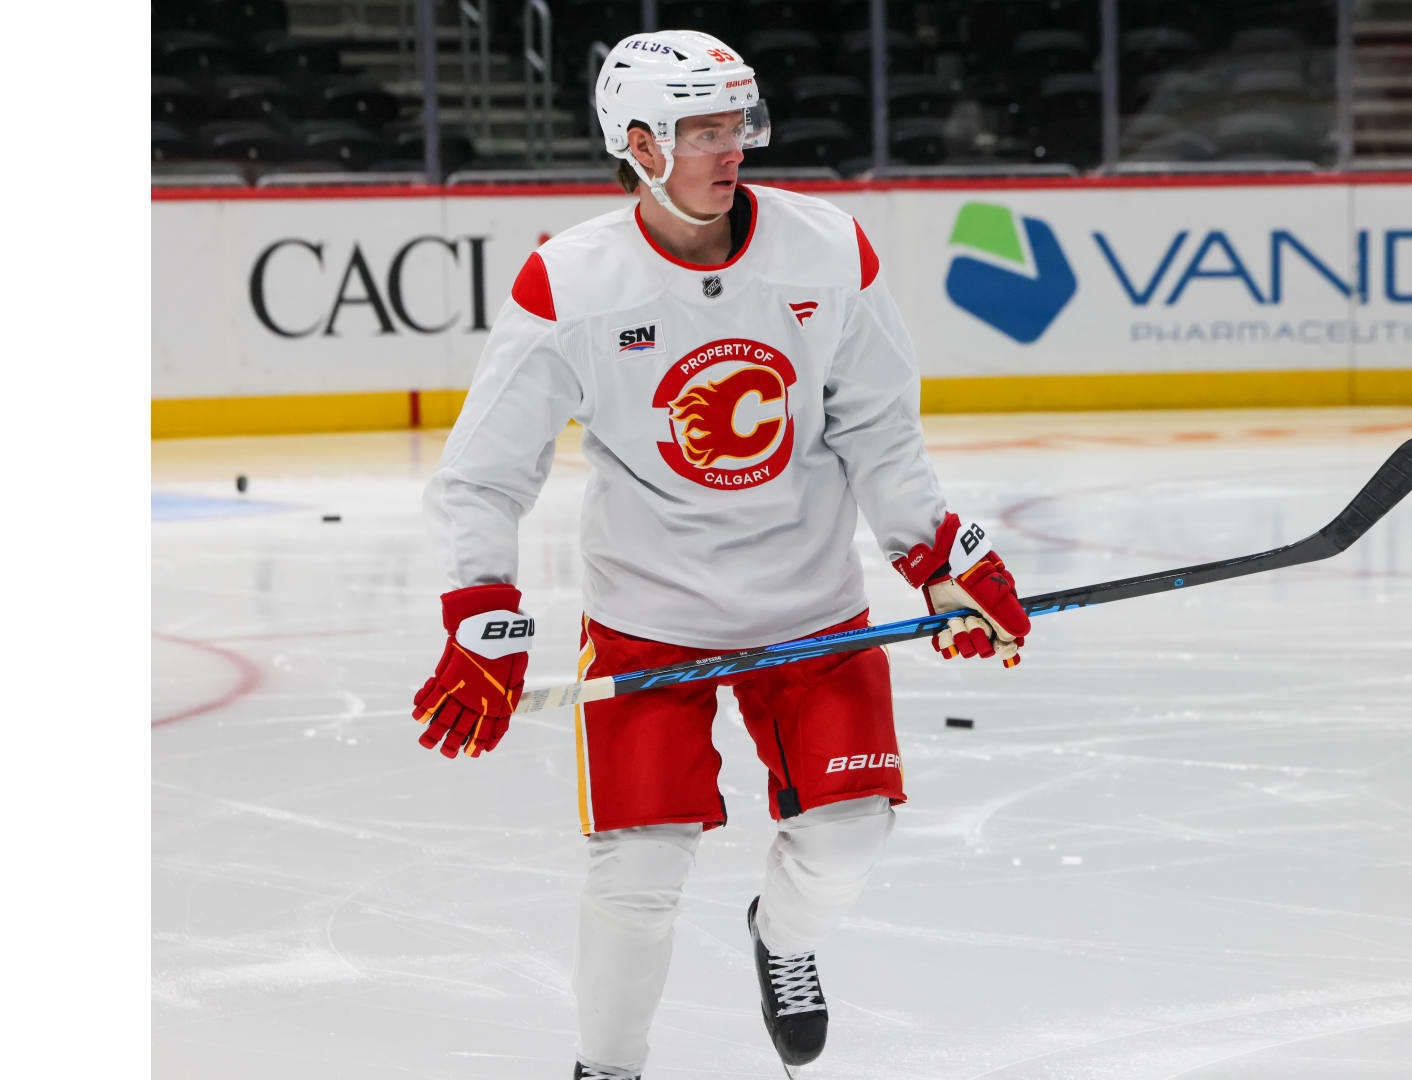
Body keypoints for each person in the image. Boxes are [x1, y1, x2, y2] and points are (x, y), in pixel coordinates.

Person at [406, 30, 1031, 1080]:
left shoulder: (828, 249)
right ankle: (607, 1071)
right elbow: (483, 473)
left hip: (812, 610)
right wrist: (483, 616)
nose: (731, 147)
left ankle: (781, 938)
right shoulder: (572, 281)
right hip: (651, 619)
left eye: (737, 124)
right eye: (702, 131)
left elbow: (880, 428)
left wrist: (938, 558)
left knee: (850, 836)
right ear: (639, 144)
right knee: (637, 871)